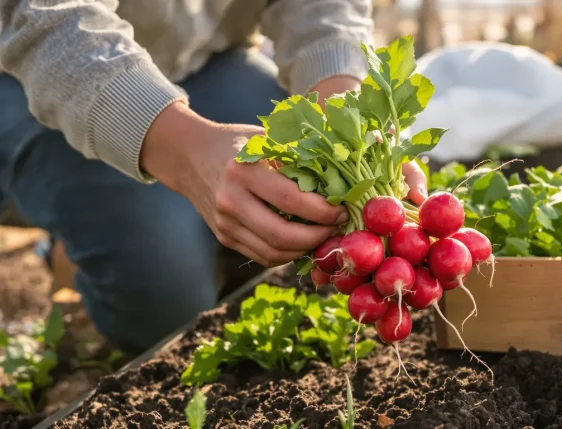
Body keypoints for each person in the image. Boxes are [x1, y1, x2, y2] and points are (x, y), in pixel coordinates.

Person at [0, 0, 428, 353]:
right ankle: (68, 253)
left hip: (204, 61)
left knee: (294, 207)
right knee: (168, 303)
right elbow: (48, 20)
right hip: (35, 69)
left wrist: (341, 101)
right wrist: (187, 154)